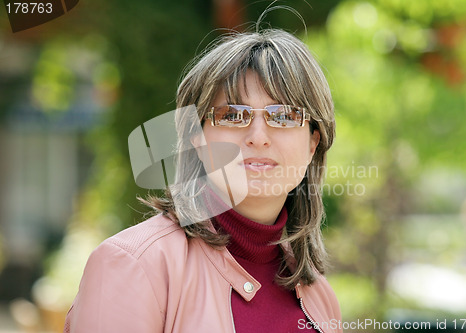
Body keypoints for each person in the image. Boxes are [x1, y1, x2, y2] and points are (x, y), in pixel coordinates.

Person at [64, 27, 342, 333]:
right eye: (233, 115)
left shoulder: (319, 296)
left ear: (313, 142)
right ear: (196, 135)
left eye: (285, 116)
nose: (259, 137)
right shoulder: (134, 265)